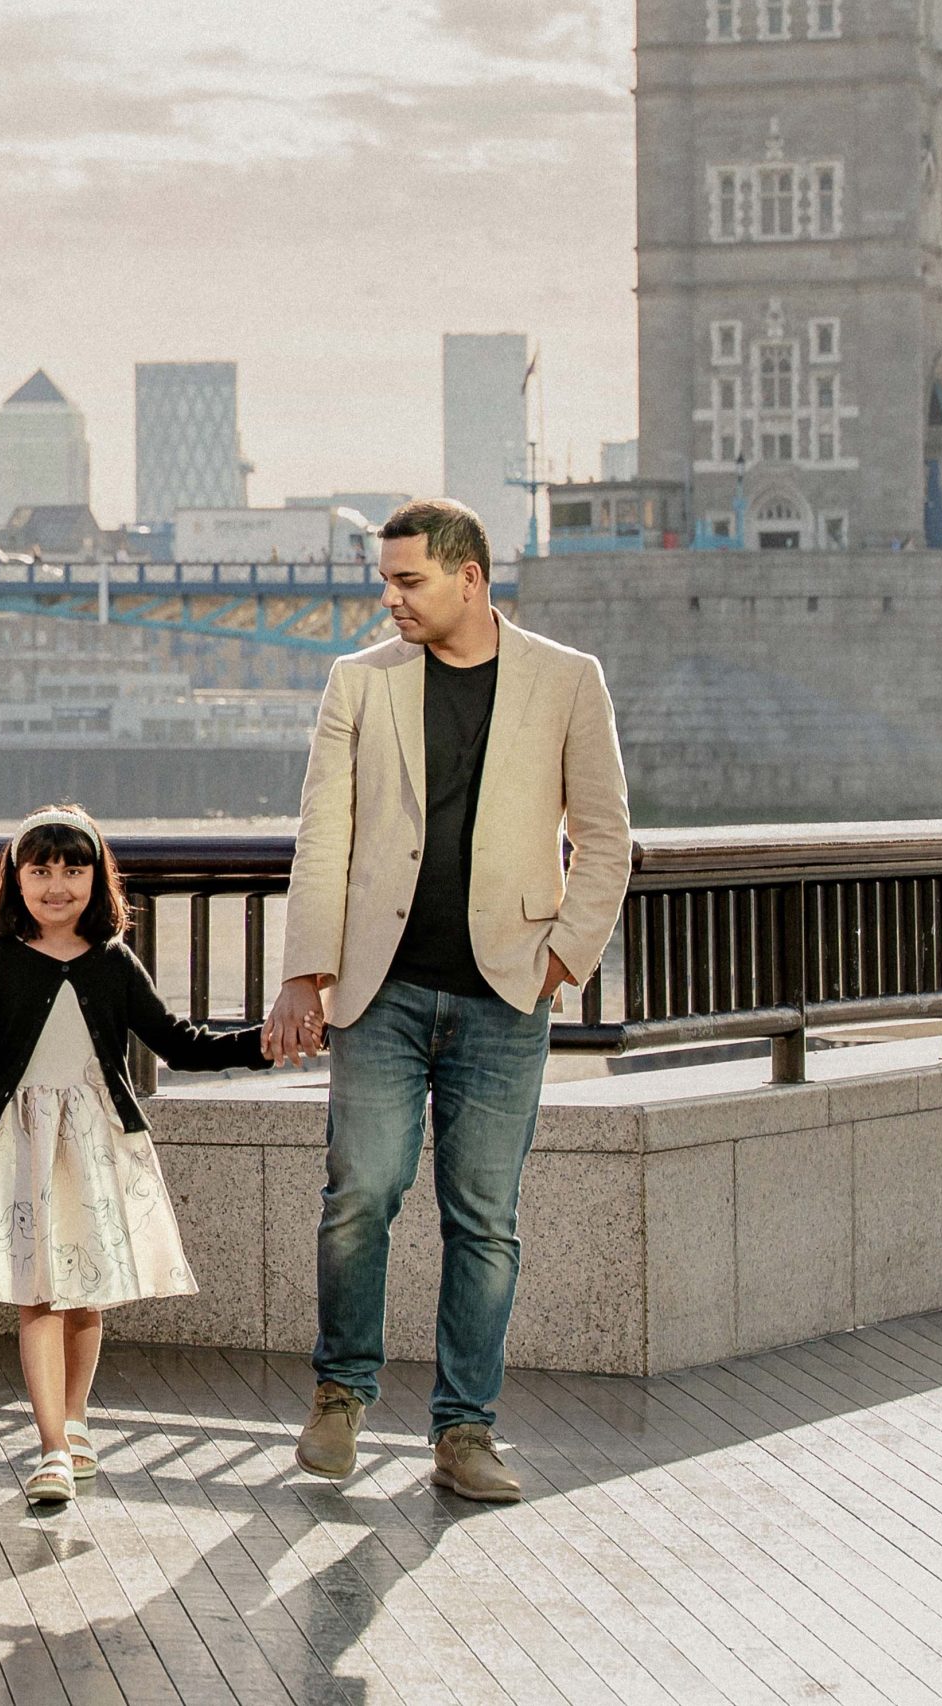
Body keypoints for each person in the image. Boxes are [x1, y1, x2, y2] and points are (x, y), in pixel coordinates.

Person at [263, 498, 629, 1500]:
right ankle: (340, 1394)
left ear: (470, 576)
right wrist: (304, 970)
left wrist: (562, 959)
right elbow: (323, 831)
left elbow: (604, 835)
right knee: (360, 1192)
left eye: (408, 580)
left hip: (506, 993)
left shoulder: (565, 679)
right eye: (385, 580)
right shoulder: (357, 682)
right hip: (380, 991)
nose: (391, 599)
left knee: (484, 1217)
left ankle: (464, 1430)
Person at [0, 805, 267, 1504]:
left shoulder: (114, 963)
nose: (57, 885)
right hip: (18, 1144)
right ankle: (52, 1448)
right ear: (15, 879)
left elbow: (181, 1043)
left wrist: (261, 1042)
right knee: (41, 1293)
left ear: (100, 880)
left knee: (86, 1296)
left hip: (95, 1142)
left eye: (73, 869)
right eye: (40, 870)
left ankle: (75, 1417)